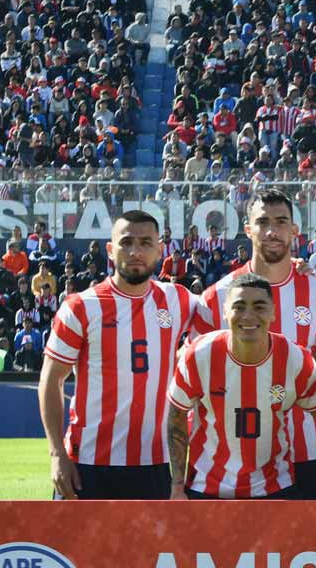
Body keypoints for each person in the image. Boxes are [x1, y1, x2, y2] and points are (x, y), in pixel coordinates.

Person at [190, 189, 316, 500]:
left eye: (281, 222)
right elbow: (196, 379)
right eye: (263, 222)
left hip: (303, 450)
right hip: (230, 460)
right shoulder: (217, 296)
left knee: (304, 548)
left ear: (295, 231)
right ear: (248, 230)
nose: (272, 231)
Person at [39, 211, 199, 499]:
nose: (136, 251)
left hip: (157, 463)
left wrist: (299, 269)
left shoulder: (179, 299)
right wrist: (56, 454)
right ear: (111, 250)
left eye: (146, 243)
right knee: (79, 545)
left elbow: (234, 304)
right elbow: (51, 380)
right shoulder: (81, 307)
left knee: (151, 546)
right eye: (126, 242)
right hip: (88, 462)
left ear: (160, 250)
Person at [167, 274, 316, 500]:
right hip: (207, 489)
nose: (248, 316)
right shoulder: (200, 354)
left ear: (273, 312)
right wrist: (177, 486)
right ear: (225, 311)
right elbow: (176, 416)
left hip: (275, 489)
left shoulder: (294, 358)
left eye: (259, 307)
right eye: (239, 307)